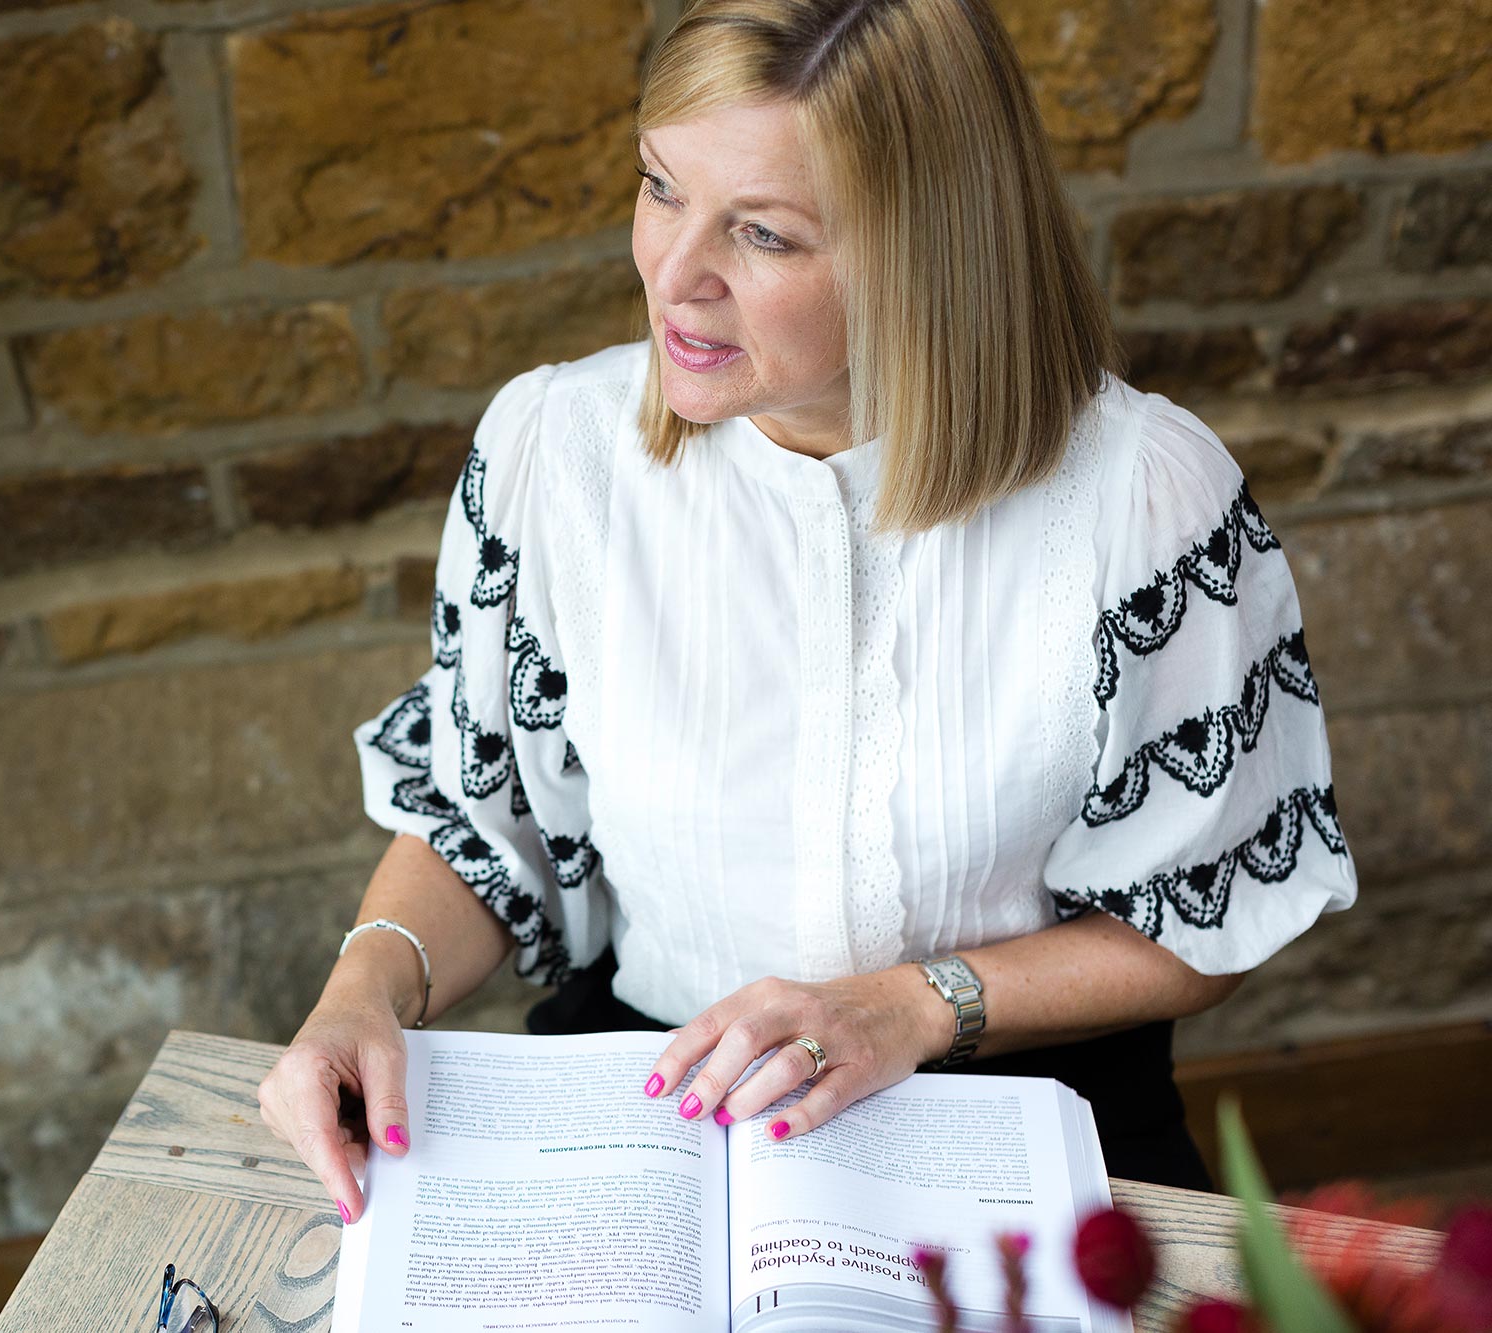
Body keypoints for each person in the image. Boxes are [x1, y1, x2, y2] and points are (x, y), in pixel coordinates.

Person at [257, 0, 1357, 1225]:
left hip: (1020, 1116)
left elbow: (1203, 908)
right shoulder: (549, 453)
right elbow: (486, 819)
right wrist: (364, 989)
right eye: (660, 187)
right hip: (654, 1108)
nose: (672, 279)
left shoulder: (1143, 500)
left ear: (927, 247)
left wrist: (909, 1004)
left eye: (764, 236)